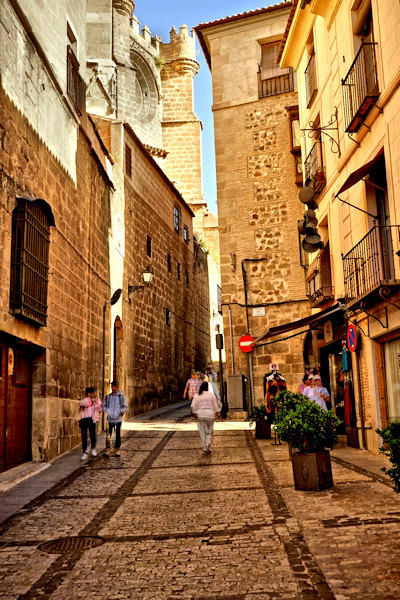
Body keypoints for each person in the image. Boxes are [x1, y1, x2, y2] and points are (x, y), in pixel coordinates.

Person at [191, 381, 220, 455]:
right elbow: (215, 406)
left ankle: (205, 449)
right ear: (207, 387)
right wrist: (217, 412)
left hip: (200, 416)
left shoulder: (197, 395)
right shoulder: (211, 395)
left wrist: (195, 413)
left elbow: (193, 406)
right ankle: (208, 446)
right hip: (210, 415)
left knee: (202, 433)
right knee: (209, 432)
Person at [103, 381, 127, 457]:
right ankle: (107, 450)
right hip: (110, 418)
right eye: (111, 387)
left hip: (118, 419)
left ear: (117, 387)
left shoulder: (121, 396)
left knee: (117, 435)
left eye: (113, 387)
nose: (112, 388)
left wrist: (120, 412)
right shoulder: (108, 397)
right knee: (108, 435)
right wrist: (108, 411)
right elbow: (104, 406)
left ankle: (117, 450)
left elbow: (125, 406)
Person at [79, 386, 102, 460]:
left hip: (93, 419)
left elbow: (100, 409)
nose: (94, 394)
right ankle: (85, 452)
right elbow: (84, 404)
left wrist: (96, 402)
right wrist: (91, 401)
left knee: (93, 435)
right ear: (88, 394)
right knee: (84, 436)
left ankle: (93, 448)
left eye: (94, 392)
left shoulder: (98, 400)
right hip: (84, 419)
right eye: (92, 392)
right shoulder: (84, 400)